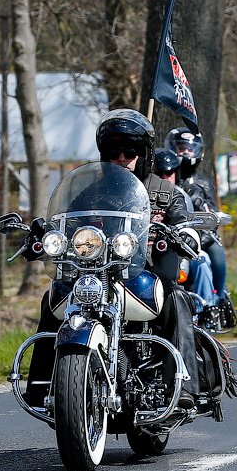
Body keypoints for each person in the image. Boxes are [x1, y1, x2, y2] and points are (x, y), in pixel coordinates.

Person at [24, 109, 199, 411]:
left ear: (143, 153)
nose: (122, 157)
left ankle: (184, 384)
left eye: (130, 150)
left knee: (176, 299)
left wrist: (183, 234)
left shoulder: (166, 192)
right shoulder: (88, 192)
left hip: (146, 273)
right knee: (53, 297)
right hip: (95, 273)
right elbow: (64, 220)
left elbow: (185, 223)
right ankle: (42, 382)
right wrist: (44, 234)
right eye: (113, 150)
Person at [165, 128, 232, 320]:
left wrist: (202, 233)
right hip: (171, 235)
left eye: (189, 148)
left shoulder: (202, 182)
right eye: (181, 148)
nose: (185, 152)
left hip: (200, 237)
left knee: (215, 253)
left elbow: (209, 211)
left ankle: (218, 299)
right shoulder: (165, 179)